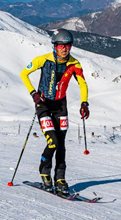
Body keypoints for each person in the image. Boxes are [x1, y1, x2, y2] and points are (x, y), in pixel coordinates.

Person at [20, 28, 90, 194]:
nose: (64, 49)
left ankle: (60, 178)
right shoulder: (43, 60)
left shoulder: (74, 64)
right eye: (60, 45)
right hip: (43, 104)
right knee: (53, 141)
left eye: (67, 45)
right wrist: (34, 94)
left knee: (62, 144)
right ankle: (44, 170)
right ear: (54, 46)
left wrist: (84, 103)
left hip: (60, 106)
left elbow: (83, 83)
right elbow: (24, 73)